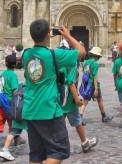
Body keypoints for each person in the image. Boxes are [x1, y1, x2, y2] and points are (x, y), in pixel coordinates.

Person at [22, 19, 86, 164]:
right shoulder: (54, 55)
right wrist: (67, 36)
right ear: (48, 35)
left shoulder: (26, 55)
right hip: (49, 110)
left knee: (36, 155)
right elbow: (81, 52)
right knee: (58, 152)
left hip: (30, 110)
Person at [0, 54, 27, 161]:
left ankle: (17, 139)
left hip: (1, 100)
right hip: (9, 102)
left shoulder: (3, 74)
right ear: (15, 64)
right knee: (14, 123)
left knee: (2, 121)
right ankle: (15, 140)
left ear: (6, 64)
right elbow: (15, 91)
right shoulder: (13, 75)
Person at [80, 47, 112, 123]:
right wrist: (96, 89)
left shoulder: (85, 62)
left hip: (86, 84)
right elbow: (94, 76)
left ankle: (80, 117)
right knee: (99, 99)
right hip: (93, 85)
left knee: (85, 101)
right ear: (97, 56)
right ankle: (104, 116)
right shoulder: (95, 64)